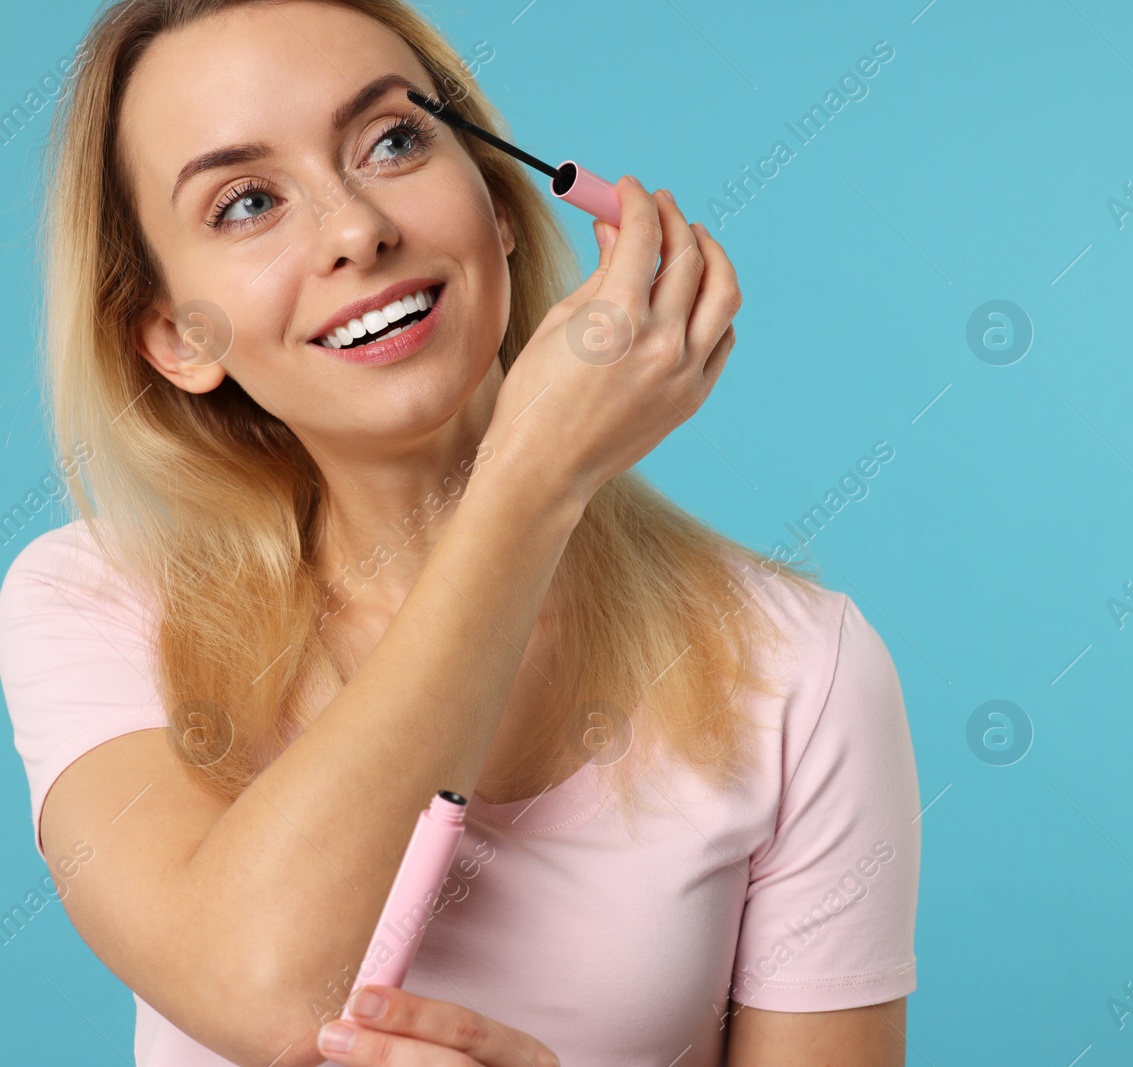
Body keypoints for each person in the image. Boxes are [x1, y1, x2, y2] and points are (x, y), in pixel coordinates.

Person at [0, 2, 921, 1064]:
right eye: (246, 201)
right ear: (173, 338)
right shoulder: (97, 599)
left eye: (393, 140)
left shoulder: (799, 666)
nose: (356, 230)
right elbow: (260, 989)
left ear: (503, 205)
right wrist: (527, 485)